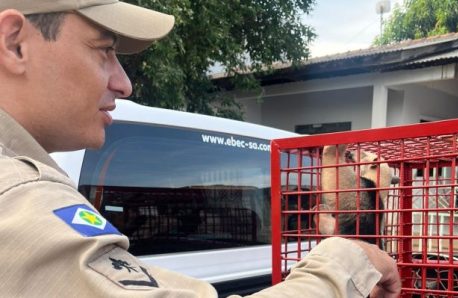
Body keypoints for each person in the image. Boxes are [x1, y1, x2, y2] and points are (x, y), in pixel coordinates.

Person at [0, 1, 401, 297]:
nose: (124, 84)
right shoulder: (18, 196)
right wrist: (345, 261)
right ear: (15, 44)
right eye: (104, 49)